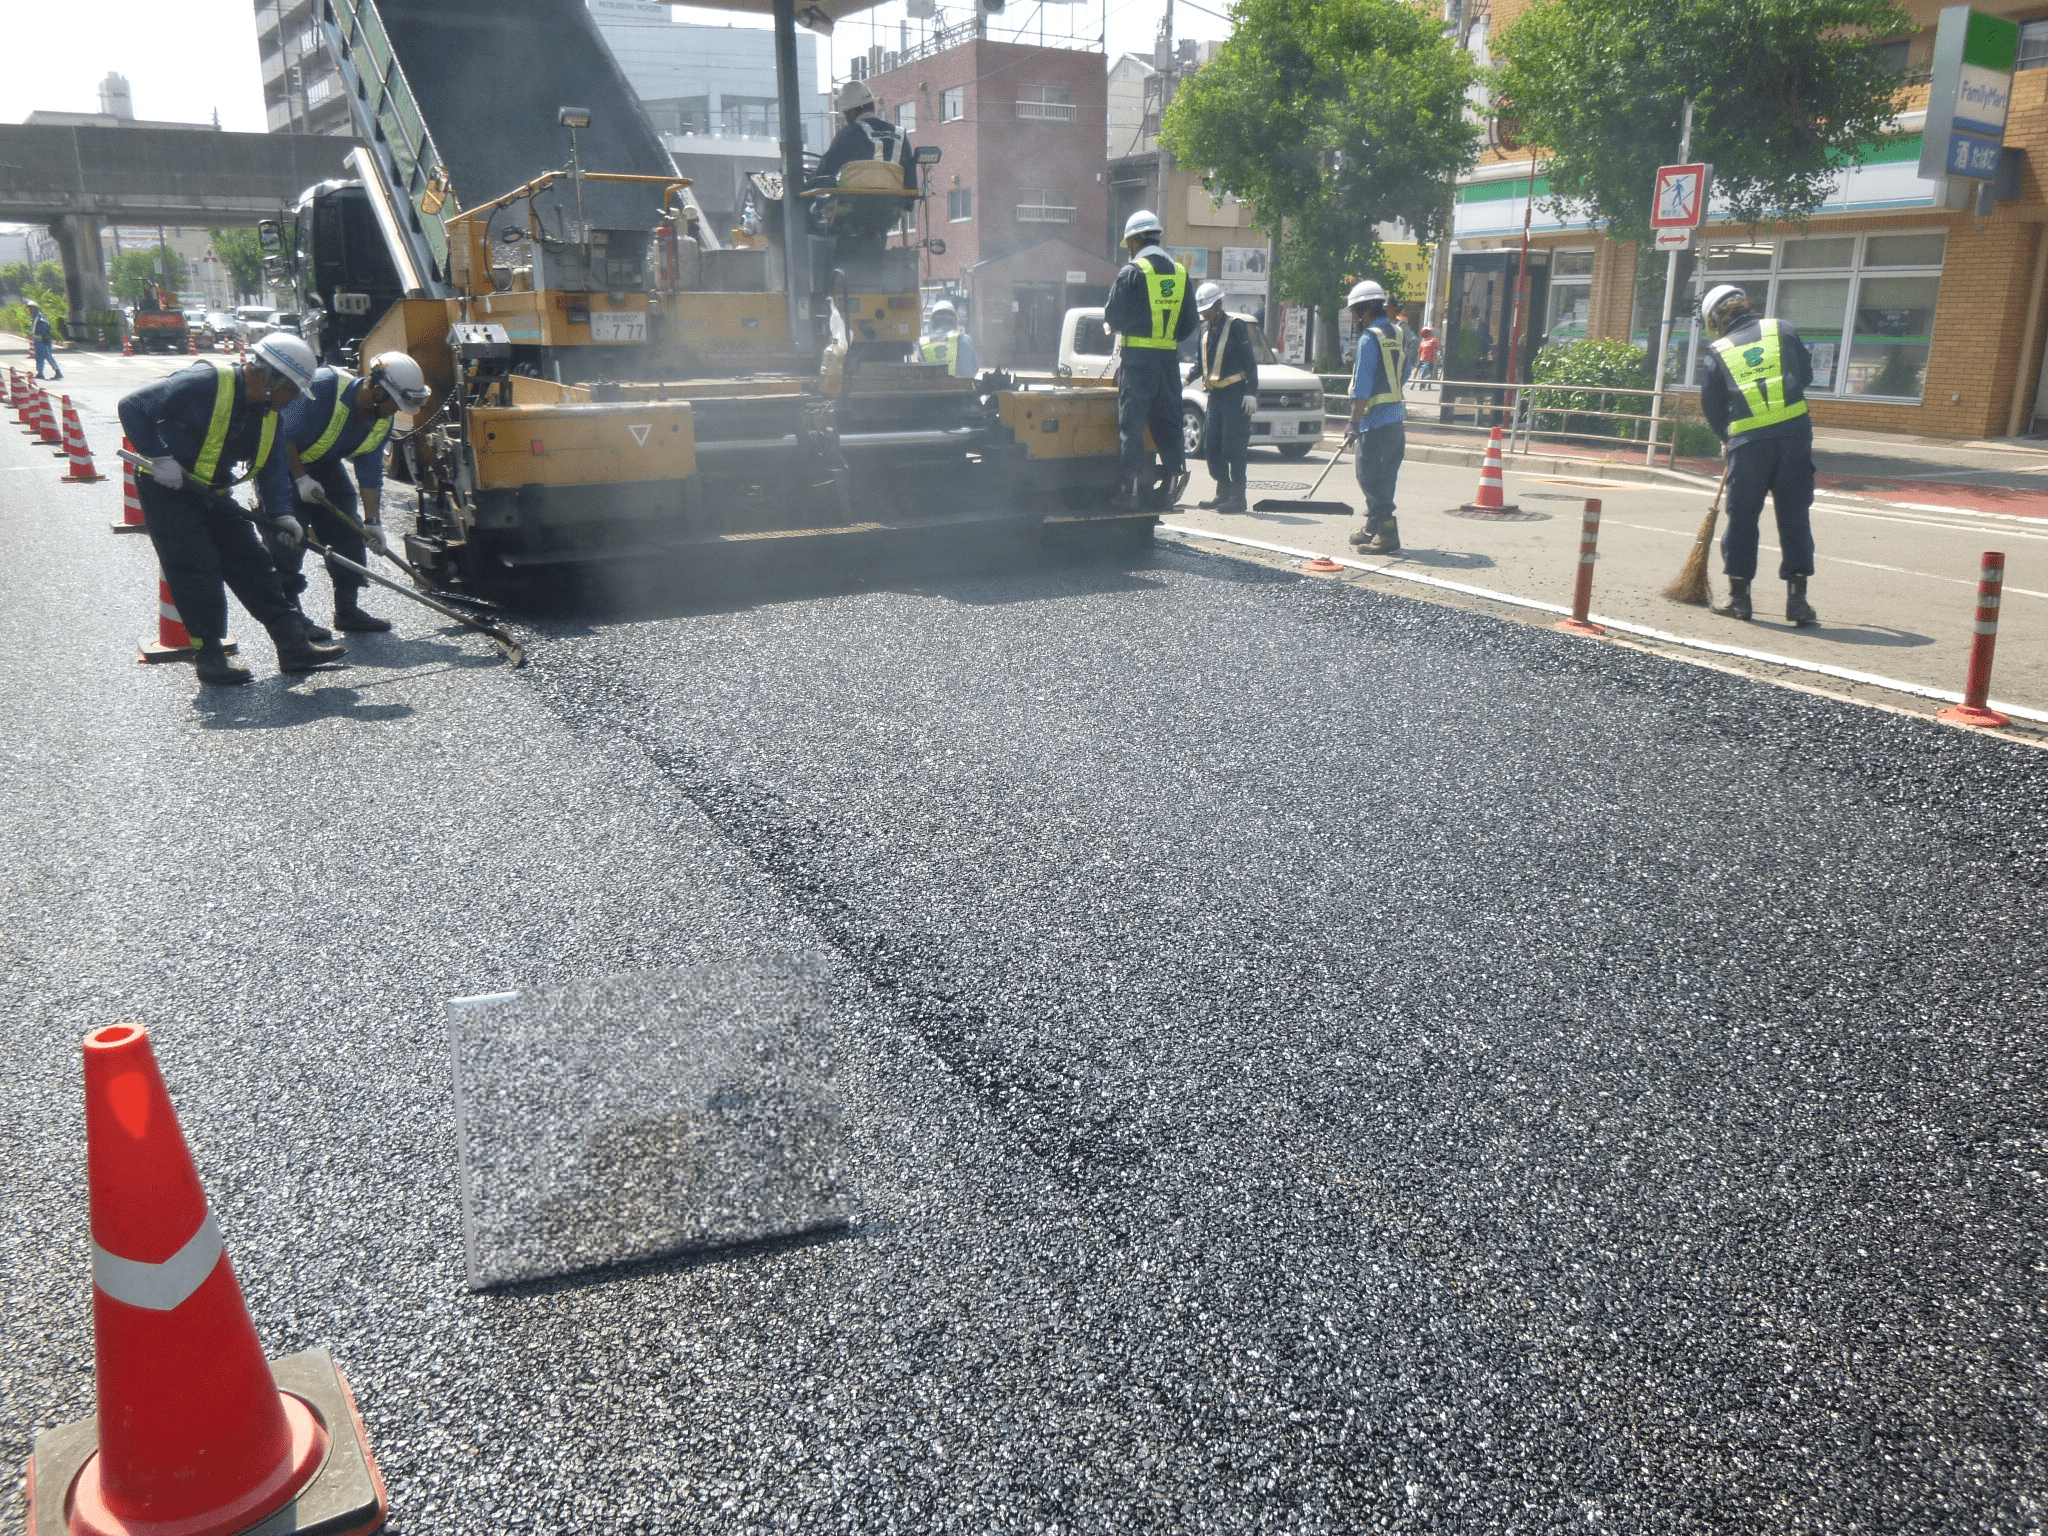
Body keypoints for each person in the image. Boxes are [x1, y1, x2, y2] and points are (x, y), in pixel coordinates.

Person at [116, 333, 348, 686]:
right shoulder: (205, 382)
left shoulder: (269, 413)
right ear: (271, 378)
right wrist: (158, 456)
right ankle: (209, 657)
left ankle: (293, 645)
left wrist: (282, 514)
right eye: (292, 391)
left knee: (254, 562)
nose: (292, 400)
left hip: (213, 490)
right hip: (168, 487)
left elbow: (271, 469)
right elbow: (132, 406)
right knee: (197, 568)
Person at [276, 350, 431, 636]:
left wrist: (373, 522)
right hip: (279, 462)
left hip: (323, 464)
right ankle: (291, 618)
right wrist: (301, 479)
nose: (394, 411)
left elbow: (370, 469)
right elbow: (283, 434)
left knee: (349, 529)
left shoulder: (381, 417)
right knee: (289, 535)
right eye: (394, 403)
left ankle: (347, 610)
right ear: (376, 389)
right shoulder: (321, 387)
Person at [1698, 282, 1819, 626]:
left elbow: (1712, 406)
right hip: (1794, 439)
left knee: (1742, 519)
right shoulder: (1783, 329)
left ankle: (1739, 600)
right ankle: (1798, 602)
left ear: (1716, 319)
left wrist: (1728, 437)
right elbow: (1805, 375)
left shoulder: (1718, 349)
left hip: (1749, 446)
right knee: (1795, 517)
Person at [1103, 209, 1196, 508]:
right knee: (1169, 422)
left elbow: (1113, 315)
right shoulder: (1180, 273)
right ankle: (1168, 489)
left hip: (1138, 361)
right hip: (1169, 361)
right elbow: (1190, 323)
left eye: (1128, 243)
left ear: (1134, 241)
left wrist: (1122, 326)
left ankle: (1128, 492)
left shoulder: (1132, 272)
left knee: (1132, 423)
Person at [1344, 279, 1405, 554]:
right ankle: (1372, 528)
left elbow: (1363, 385)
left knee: (1369, 477)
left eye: (1356, 312)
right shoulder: (1396, 333)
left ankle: (1388, 534)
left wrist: (1354, 422)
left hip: (1375, 422)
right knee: (1385, 476)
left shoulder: (1369, 338)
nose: (1355, 318)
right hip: (1395, 420)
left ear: (1365, 310)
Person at [1187, 282, 1258, 513]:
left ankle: (1238, 497)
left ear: (1219, 304)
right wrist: (1186, 379)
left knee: (1233, 446)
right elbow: (1202, 363)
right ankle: (1222, 492)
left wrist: (1251, 392)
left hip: (1235, 395)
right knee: (1212, 446)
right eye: (1203, 311)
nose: (1206, 314)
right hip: (1215, 396)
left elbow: (1250, 362)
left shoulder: (1236, 326)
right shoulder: (1204, 330)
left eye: (1208, 309)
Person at [811, 79, 914, 190]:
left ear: (851, 111)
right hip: (896, 206)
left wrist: (807, 186)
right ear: (872, 105)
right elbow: (911, 183)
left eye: (845, 113)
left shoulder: (847, 134)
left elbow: (825, 171)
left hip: (852, 206)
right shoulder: (900, 134)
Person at [919, 300, 978, 378]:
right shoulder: (966, 340)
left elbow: (921, 372)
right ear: (954, 320)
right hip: (963, 388)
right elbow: (974, 369)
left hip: (933, 388)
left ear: (933, 321)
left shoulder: (923, 343)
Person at [28, 301, 61, 381]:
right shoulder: (34, 316)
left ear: (35, 308)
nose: (30, 310)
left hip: (42, 339)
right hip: (37, 339)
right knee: (38, 356)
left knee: (47, 356)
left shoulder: (39, 316)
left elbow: (46, 325)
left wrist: (42, 335)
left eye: (31, 308)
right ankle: (40, 372)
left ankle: (57, 371)